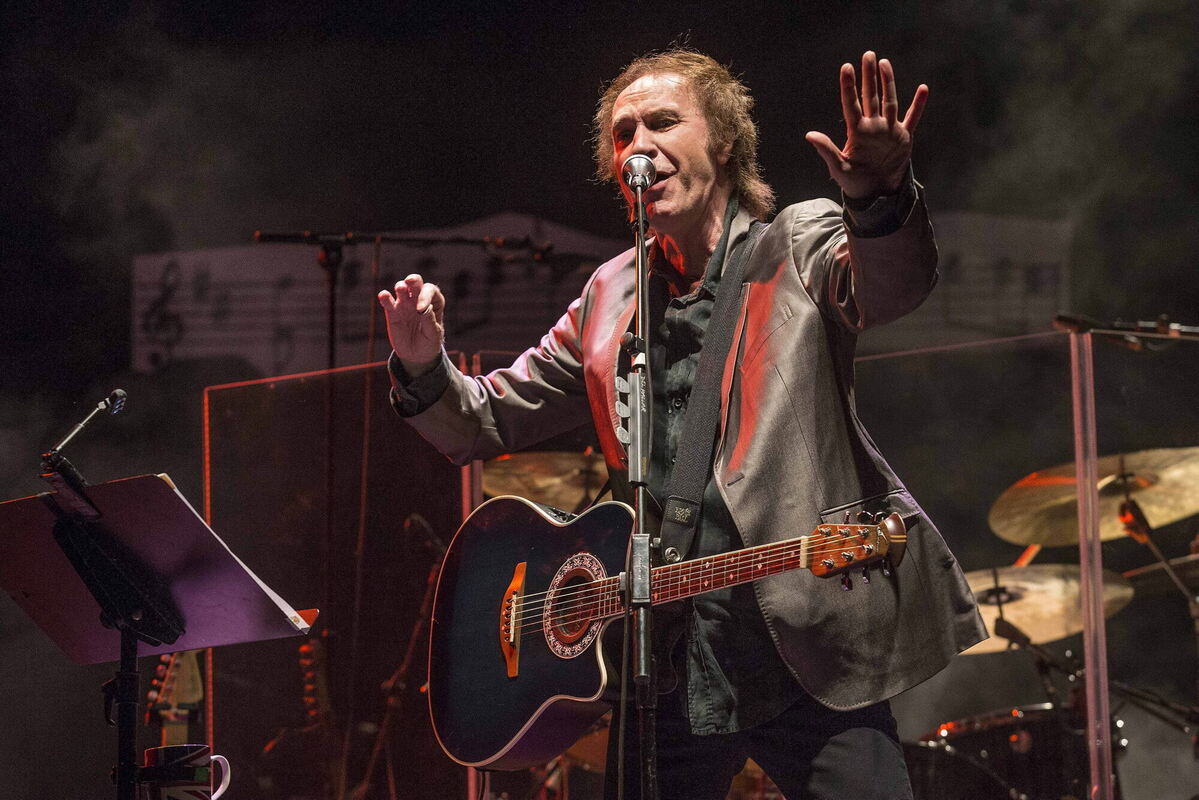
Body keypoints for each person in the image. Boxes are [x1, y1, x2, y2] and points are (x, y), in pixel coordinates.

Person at [380, 49, 985, 800]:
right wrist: (421, 364)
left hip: (803, 644)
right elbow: (484, 420)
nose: (638, 145)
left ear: (724, 142)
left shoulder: (796, 243)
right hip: (663, 663)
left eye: (662, 122)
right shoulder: (610, 294)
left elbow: (891, 287)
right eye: (622, 133)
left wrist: (879, 193)